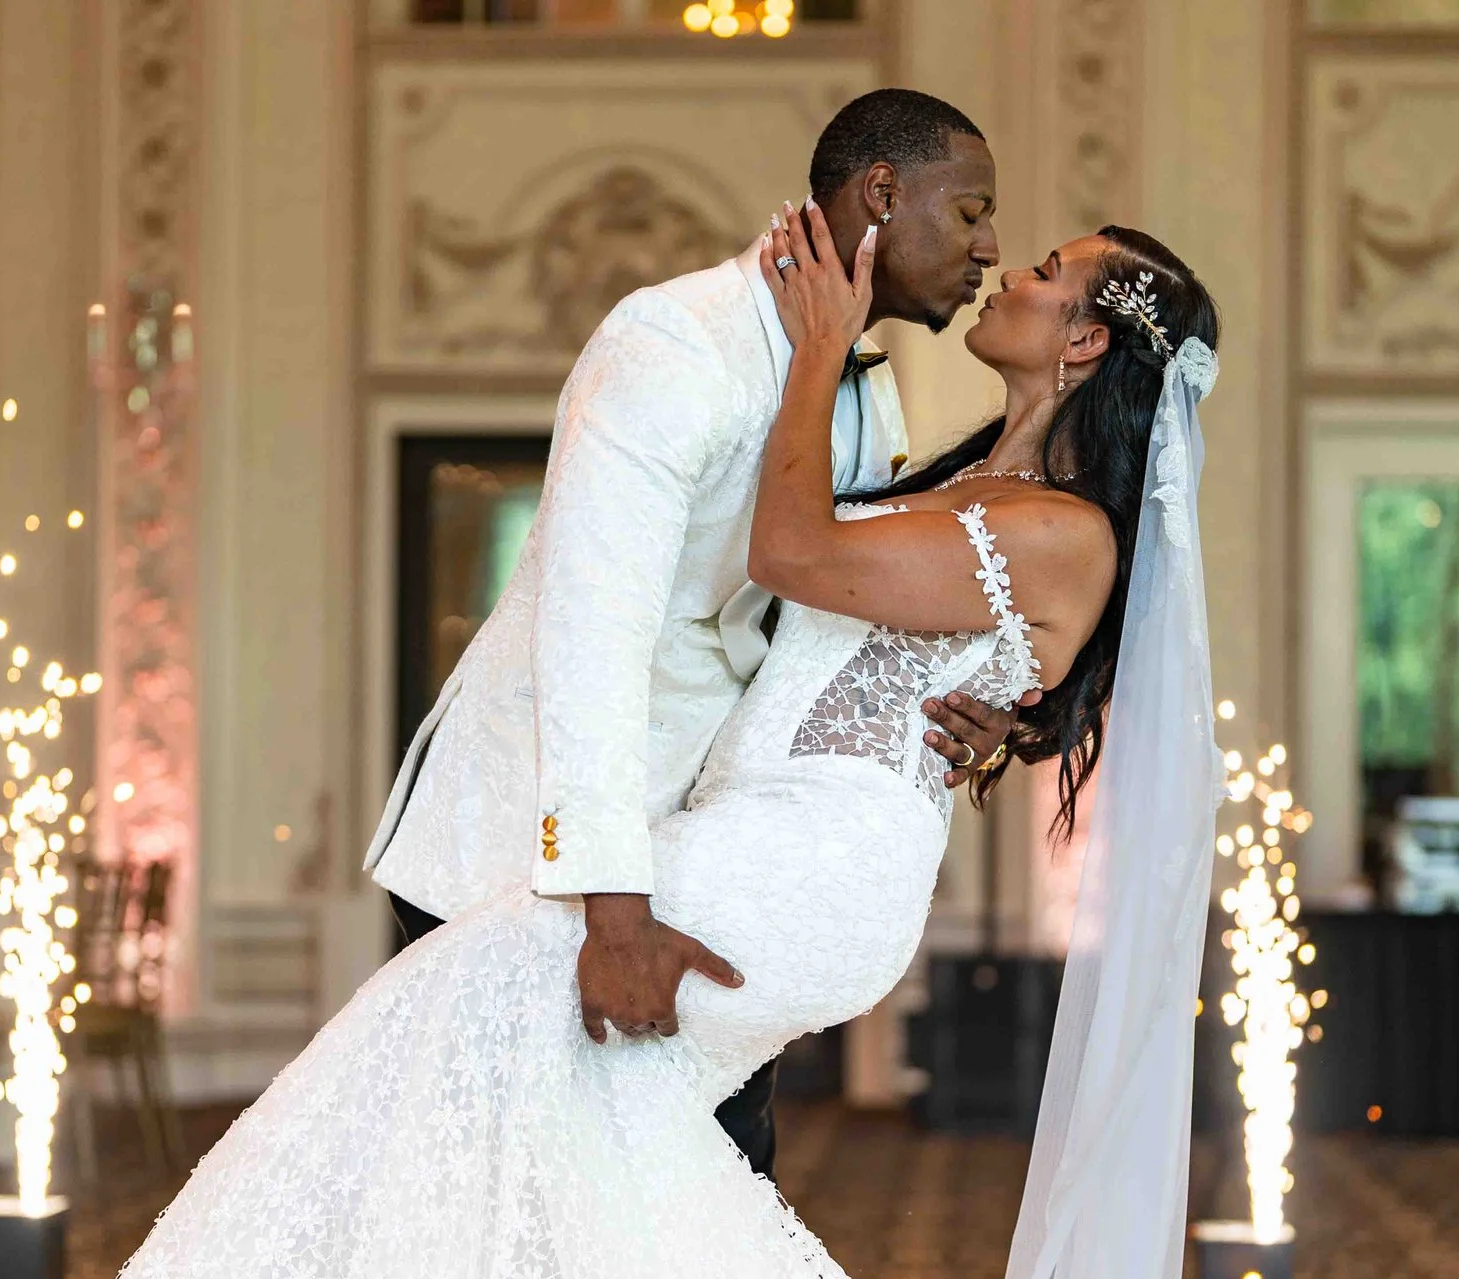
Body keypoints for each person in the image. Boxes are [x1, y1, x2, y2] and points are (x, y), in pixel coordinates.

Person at [16, 191, 1265, 1279]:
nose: (1013, 263)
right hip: (734, 835)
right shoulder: (948, 474)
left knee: (448, 1014)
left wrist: (812, 349)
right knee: (606, 1196)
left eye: (1051, 269)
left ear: (1085, 350)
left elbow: (794, 553)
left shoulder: (1058, 530)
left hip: (802, 872)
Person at [360, 87, 1019, 1179]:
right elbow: (592, 626)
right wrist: (614, 914)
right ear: (882, 192)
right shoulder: (673, 340)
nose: (990, 247)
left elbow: (820, 619)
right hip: (527, 862)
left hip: (703, 858)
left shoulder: (856, 382)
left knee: (702, 1196)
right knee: (500, 1208)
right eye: (970, 211)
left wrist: (970, 708)